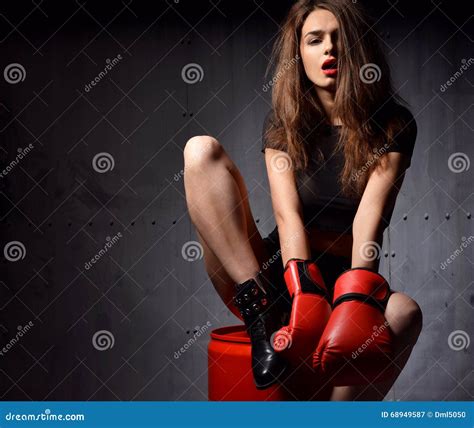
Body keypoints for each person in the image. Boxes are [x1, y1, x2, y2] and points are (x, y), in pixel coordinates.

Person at [183, 0, 423, 400]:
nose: (329, 50)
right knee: (199, 152)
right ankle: (260, 312)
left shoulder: (393, 123)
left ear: (359, 48)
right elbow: (287, 212)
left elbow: (371, 216)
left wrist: (355, 300)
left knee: (405, 313)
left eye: (339, 39)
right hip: (273, 278)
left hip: (344, 282)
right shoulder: (284, 122)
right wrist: (301, 291)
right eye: (314, 40)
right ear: (300, 54)